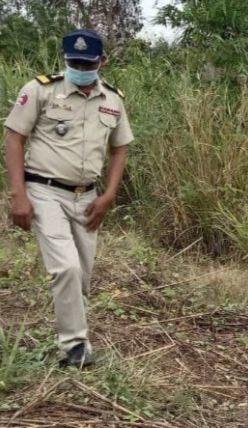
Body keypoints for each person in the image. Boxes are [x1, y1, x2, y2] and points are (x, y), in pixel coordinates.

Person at [4, 29, 133, 367]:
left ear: (101, 62)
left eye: (87, 63)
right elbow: (15, 138)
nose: (80, 68)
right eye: (73, 62)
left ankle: (75, 333)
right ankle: (74, 348)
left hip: (87, 197)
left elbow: (120, 148)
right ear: (65, 61)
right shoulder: (40, 90)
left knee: (83, 276)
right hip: (44, 191)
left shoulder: (112, 100)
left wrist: (109, 196)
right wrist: (19, 196)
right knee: (66, 268)